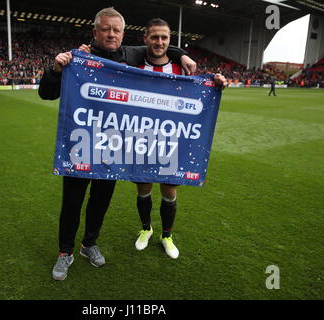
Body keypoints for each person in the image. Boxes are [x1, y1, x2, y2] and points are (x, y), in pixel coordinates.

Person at [38, 7, 197, 281]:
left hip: (112, 146)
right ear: (95, 32)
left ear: (123, 34)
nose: (111, 34)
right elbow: (46, 93)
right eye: (105, 29)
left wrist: (182, 53)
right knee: (72, 203)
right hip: (82, 143)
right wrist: (56, 68)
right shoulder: (79, 57)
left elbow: (161, 47)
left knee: (100, 201)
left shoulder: (129, 54)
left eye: (116, 29)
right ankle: (65, 252)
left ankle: (89, 245)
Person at [133, 18, 227, 259]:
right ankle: (146, 229)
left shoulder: (182, 69)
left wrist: (216, 83)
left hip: (171, 141)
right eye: (154, 36)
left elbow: (199, 94)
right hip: (141, 138)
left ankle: (166, 236)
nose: (159, 41)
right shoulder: (132, 66)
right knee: (143, 188)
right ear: (145, 39)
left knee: (170, 190)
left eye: (164, 37)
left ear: (170, 41)